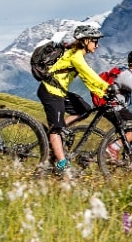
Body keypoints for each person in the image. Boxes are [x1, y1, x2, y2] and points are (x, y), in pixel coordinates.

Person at [37, 23, 112, 174]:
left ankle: (58, 131)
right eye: (95, 41)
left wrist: (103, 94)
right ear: (85, 41)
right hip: (51, 92)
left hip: (60, 91)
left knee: (84, 109)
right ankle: (62, 166)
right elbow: (89, 74)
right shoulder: (75, 55)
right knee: (56, 129)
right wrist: (107, 88)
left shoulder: (76, 54)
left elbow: (88, 80)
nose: (97, 45)